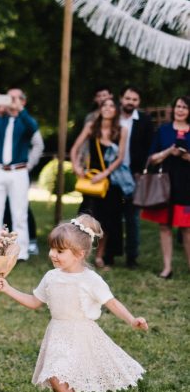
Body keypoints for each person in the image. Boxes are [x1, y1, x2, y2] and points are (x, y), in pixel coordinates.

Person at [0, 214, 148, 392]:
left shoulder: (91, 279)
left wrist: (132, 319)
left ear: (80, 254)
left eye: (60, 251)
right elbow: (35, 302)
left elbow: (112, 302)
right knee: (58, 383)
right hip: (56, 333)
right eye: (52, 249)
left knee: (57, 376)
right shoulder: (51, 277)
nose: (53, 255)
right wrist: (8, 289)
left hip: (80, 334)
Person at [0, 88, 41, 260]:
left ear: (23, 101)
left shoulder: (26, 121)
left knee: (19, 213)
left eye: (15, 98)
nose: (11, 101)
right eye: (9, 98)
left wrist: (29, 165)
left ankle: (20, 252)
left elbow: (35, 134)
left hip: (18, 171)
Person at [70, 99, 130, 269]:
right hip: (91, 178)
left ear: (116, 111)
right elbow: (75, 148)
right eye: (105, 105)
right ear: (100, 108)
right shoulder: (91, 126)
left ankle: (99, 256)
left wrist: (105, 174)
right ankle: (79, 255)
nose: (108, 108)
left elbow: (120, 158)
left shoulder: (121, 130)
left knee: (107, 221)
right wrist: (76, 166)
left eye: (111, 106)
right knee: (84, 219)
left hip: (110, 180)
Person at [141, 95, 190, 279]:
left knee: (187, 227)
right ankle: (167, 267)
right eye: (178, 106)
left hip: (187, 184)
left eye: (184, 107)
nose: (180, 110)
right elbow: (152, 158)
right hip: (165, 183)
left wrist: (187, 156)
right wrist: (169, 151)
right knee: (165, 225)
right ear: (173, 108)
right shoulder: (163, 130)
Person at [118, 86, 154, 268]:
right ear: (121, 99)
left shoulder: (145, 121)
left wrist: (142, 171)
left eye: (134, 99)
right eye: (128, 98)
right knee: (112, 216)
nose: (130, 102)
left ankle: (132, 257)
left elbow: (150, 148)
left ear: (138, 102)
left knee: (132, 217)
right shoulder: (112, 118)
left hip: (133, 174)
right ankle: (109, 254)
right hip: (112, 173)